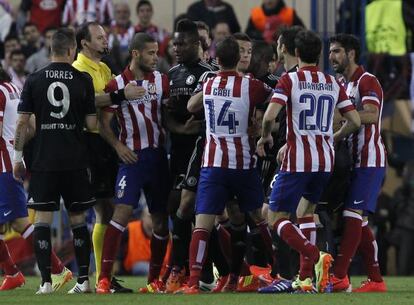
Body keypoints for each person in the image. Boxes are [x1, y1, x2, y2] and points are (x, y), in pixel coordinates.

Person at [257, 29, 361, 293]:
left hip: (297, 159)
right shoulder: (332, 82)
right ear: (318, 55)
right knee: (306, 214)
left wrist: (265, 136)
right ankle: (305, 280)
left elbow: (270, 115)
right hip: (325, 160)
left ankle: (316, 256)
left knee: (275, 218)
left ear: (298, 53)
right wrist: (333, 137)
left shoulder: (290, 80)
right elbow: (355, 120)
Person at [176, 36, 273, 294]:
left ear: (217, 60)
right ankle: (280, 271)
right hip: (242, 164)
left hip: (214, 165)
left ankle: (194, 282)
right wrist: (262, 128)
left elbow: (191, 105)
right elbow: (274, 99)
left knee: (203, 223)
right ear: (238, 58)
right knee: (257, 219)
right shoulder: (251, 85)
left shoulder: (208, 84)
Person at [13, 27, 96, 294]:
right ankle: (84, 281)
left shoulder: (35, 79)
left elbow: (22, 123)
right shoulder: (82, 79)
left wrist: (17, 157)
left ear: (51, 49)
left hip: (44, 161)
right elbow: (92, 123)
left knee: (42, 221)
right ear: (72, 49)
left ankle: (47, 283)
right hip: (75, 160)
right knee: (78, 220)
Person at [96, 32, 170, 294]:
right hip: (133, 159)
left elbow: (169, 115)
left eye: (157, 52)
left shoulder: (162, 80)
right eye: (151, 52)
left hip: (159, 158)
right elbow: (102, 124)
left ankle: (154, 281)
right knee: (121, 213)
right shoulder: (116, 84)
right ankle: (104, 278)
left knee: (161, 222)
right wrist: (118, 146)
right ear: (136, 53)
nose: (156, 57)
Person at [73, 21, 138, 293]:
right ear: (84, 43)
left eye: (104, 36)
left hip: (104, 143)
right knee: (93, 210)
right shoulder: (78, 69)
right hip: (86, 144)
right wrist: (120, 94)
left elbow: (107, 102)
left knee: (105, 210)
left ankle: (99, 277)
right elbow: (90, 99)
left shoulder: (104, 68)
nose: (104, 40)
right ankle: (92, 277)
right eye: (99, 37)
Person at [0, 66, 71, 291]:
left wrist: (9, 146)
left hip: (3, 166)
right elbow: (31, 126)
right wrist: (14, 144)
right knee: (18, 221)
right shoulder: (13, 88)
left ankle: (58, 269)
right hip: (10, 161)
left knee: (21, 222)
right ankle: (12, 273)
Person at [328, 33, 387, 293]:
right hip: (351, 161)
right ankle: (376, 280)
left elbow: (372, 115)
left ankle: (339, 276)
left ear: (351, 53)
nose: (331, 57)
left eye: (337, 51)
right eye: (330, 51)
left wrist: (343, 121)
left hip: (370, 160)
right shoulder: (343, 84)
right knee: (358, 222)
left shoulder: (367, 81)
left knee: (352, 215)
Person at [164, 18, 214, 293]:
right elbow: (166, 116)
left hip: (203, 150)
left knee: (202, 212)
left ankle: (199, 271)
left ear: (197, 43)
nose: (176, 47)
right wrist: (180, 127)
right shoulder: (171, 74)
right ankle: (182, 269)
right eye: (175, 43)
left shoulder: (210, 73)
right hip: (179, 151)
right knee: (177, 207)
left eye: (182, 43)